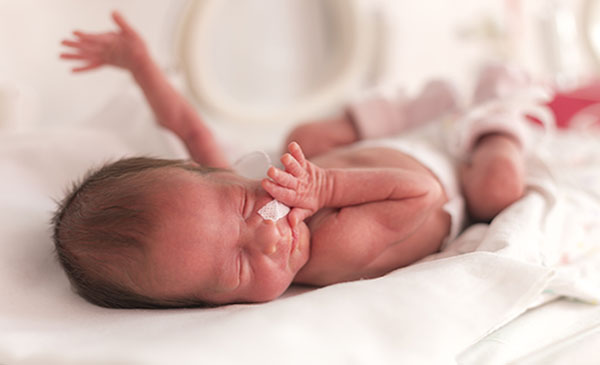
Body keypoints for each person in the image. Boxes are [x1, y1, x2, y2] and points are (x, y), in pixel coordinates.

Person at [53, 12, 544, 309]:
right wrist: (325, 189)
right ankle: (495, 110)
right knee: (498, 189)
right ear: (210, 304)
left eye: (246, 206)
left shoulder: (241, 188)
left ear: (219, 179)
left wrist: (142, 67)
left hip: (386, 148)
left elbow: (190, 128)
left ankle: (414, 109)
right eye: (240, 269)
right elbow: (422, 193)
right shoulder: (334, 248)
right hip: (451, 172)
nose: (269, 234)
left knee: (303, 136)